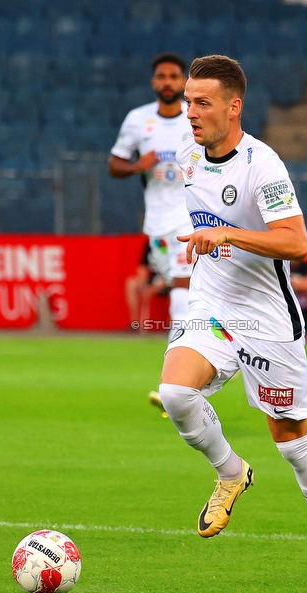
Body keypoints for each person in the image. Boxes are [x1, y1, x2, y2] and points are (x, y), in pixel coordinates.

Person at [158, 55, 307, 587]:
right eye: (187, 101)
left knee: (291, 441)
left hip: (267, 316)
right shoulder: (186, 153)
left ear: (233, 106)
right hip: (213, 307)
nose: (190, 112)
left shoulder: (262, 166)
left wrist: (227, 234)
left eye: (202, 102)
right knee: (175, 394)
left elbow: (298, 243)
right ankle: (230, 471)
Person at [109, 52, 195, 416]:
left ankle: (176, 383)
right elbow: (114, 165)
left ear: (183, 82)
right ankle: (199, 373)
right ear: (154, 82)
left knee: (182, 288)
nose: (168, 82)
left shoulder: (196, 116)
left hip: (192, 219)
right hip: (157, 225)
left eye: (174, 76)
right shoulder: (137, 120)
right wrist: (135, 166)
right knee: (186, 294)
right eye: (162, 76)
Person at [124, 242, 168, 329]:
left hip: (170, 280)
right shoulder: (151, 244)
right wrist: (144, 285)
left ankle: (173, 325)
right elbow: (143, 269)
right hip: (153, 280)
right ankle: (135, 324)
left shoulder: (170, 243)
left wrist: (152, 289)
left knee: (178, 289)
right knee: (131, 283)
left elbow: (175, 275)